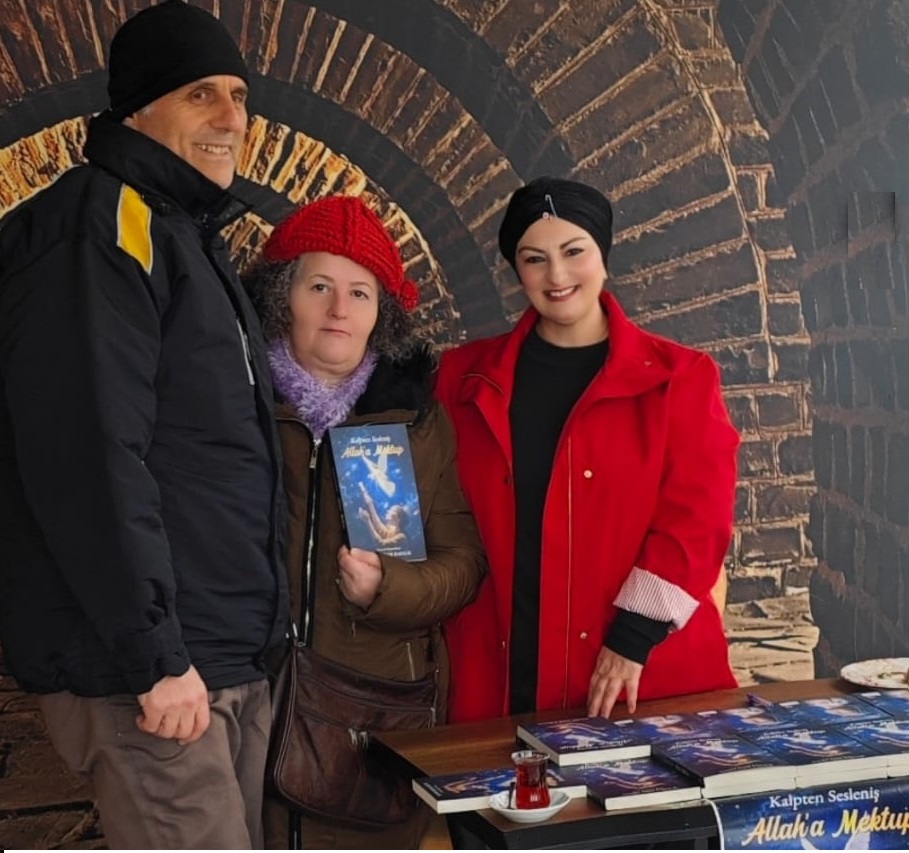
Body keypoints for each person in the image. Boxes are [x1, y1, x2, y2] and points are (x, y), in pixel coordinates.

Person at [0, 2, 287, 848]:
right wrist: (155, 653)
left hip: (219, 658)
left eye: (238, 95)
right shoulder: (102, 228)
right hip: (154, 674)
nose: (231, 117)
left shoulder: (181, 234)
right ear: (138, 109)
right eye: (201, 94)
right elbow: (87, 455)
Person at [435, 176, 740, 724]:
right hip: (497, 675)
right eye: (535, 259)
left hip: (640, 674)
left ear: (603, 255)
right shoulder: (463, 379)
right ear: (517, 271)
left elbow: (697, 520)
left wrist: (634, 636)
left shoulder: (680, 378)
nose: (557, 276)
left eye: (574, 251)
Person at [247, 194, 487, 849]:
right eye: (319, 286)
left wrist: (388, 587)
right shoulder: (237, 403)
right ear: (282, 297)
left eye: (359, 292)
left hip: (372, 714)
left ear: (382, 312)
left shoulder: (415, 421)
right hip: (250, 704)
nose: (339, 309)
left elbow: (463, 562)